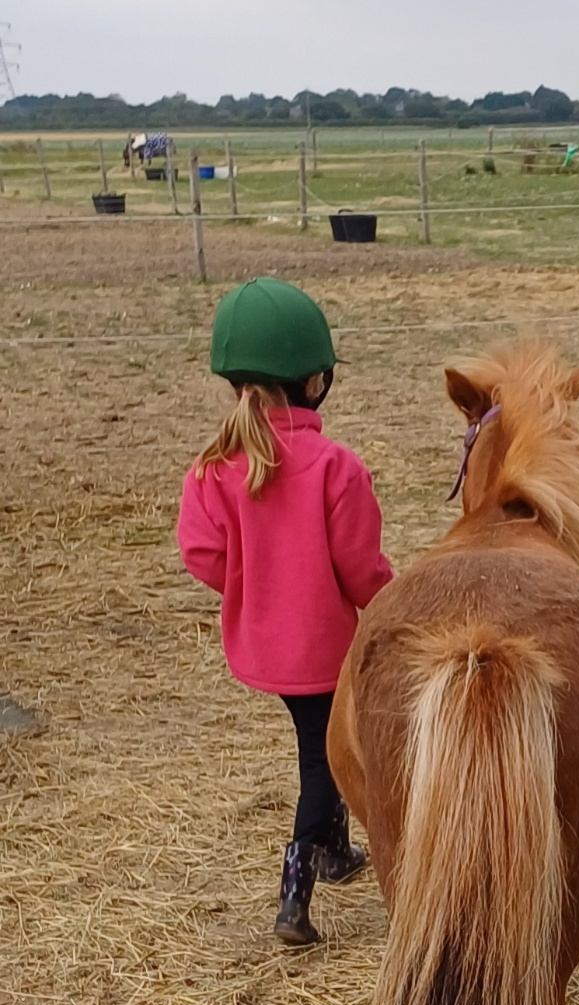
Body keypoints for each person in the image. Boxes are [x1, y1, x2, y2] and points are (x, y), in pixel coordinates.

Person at [177, 277, 393, 945]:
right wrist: (397, 610)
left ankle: (334, 854)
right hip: (323, 651)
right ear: (316, 381)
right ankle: (294, 896)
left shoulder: (213, 467)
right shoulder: (335, 467)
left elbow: (201, 553)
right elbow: (363, 571)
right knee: (324, 763)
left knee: (317, 744)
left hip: (263, 645)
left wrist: (254, 587)